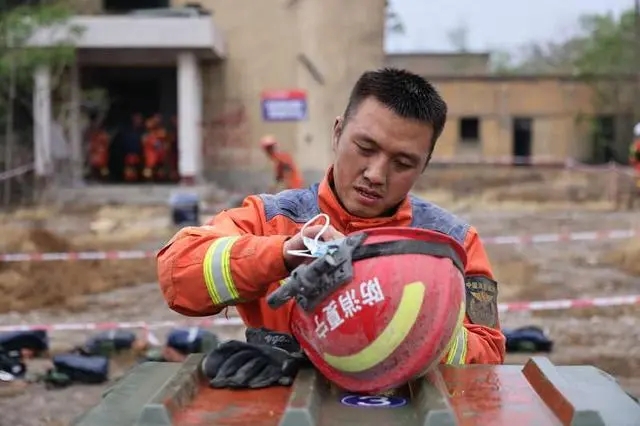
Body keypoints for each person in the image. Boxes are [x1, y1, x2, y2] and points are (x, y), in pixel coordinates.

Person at [157, 68, 505, 376]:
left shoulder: (451, 243)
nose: (376, 174)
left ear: (424, 166)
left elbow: (487, 358)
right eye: (365, 148)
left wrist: (399, 310)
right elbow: (177, 275)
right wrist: (283, 255)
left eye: (402, 163)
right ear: (338, 133)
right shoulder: (273, 219)